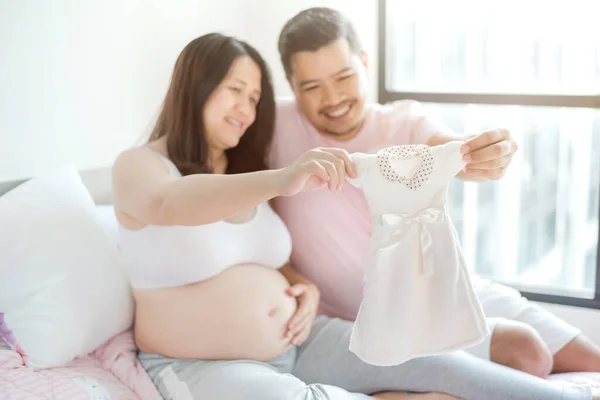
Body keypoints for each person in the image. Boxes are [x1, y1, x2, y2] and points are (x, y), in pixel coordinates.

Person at [111, 33, 596, 400]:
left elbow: (258, 260)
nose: (247, 108)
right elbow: (171, 205)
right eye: (235, 90)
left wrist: (304, 286)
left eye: (255, 97)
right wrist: (283, 178)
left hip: (306, 338)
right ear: (191, 85)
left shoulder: (244, 163)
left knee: (460, 374)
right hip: (204, 365)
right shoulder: (139, 168)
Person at [269, 5, 600, 382]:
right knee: (527, 355)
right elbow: (244, 221)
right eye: (311, 87)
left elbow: (457, 152)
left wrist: (487, 153)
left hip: (447, 286)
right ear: (292, 86)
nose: (332, 98)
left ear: (364, 62)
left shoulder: (404, 122)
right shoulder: (273, 127)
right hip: (369, 316)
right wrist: (292, 274)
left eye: (343, 76)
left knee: (593, 363)